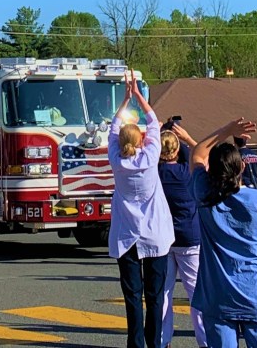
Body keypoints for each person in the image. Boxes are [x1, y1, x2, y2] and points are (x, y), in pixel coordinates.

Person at [190, 117, 257, 348]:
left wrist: (226, 129)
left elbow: (197, 154)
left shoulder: (205, 194)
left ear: (212, 169)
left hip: (218, 296)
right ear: (242, 167)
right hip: (255, 293)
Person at [108, 73, 174, 348]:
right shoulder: (149, 158)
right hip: (154, 235)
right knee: (155, 295)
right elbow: (154, 123)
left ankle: (135, 343)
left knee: (132, 295)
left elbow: (112, 128)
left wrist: (124, 100)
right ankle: (155, 342)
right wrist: (137, 96)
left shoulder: (115, 160)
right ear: (142, 141)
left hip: (126, 236)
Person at [158, 126, 206, 348]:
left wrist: (154, 133)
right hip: (189, 237)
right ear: (178, 151)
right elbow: (199, 153)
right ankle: (205, 341)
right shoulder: (187, 173)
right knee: (195, 293)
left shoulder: (155, 173)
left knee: (163, 293)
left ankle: (162, 340)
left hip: (163, 238)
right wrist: (186, 136)